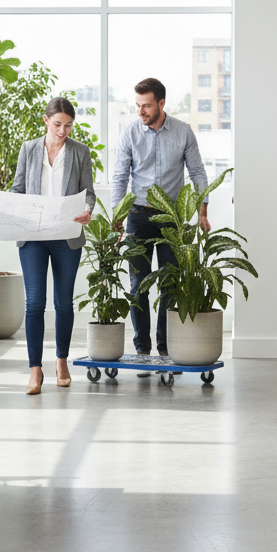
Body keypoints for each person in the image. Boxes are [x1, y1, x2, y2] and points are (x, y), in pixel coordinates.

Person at [110, 77, 209, 360]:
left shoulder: (183, 132)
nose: (140, 111)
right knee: (138, 285)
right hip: (137, 216)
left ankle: (165, 349)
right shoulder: (130, 133)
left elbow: (197, 173)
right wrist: (117, 217)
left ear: (161, 104)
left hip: (171, 218)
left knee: (170, 284)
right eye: (137, 105)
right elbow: (120, 176)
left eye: (146, 106)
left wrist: (202, 212)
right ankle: (142, 348)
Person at [11, 97, 96, 395]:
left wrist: (87, 210)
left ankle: (61, 361)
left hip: (66, 236)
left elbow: (89, 193)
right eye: (58, 124)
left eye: (68, 125)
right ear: (46, 120)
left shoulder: (80, 152)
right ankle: (35, 369)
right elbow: (17, 189)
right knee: (34, 303)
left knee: (63, 302)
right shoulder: (28, 149)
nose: (63, 131)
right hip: (33, 237)